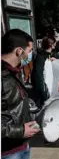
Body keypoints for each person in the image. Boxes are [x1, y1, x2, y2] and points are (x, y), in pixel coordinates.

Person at [2, 29, 40, 159]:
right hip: (7, 151)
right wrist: (21, 131)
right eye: (29, 51)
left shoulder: (13, 71)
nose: (30, 55)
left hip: (21, 145)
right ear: (19, 51)